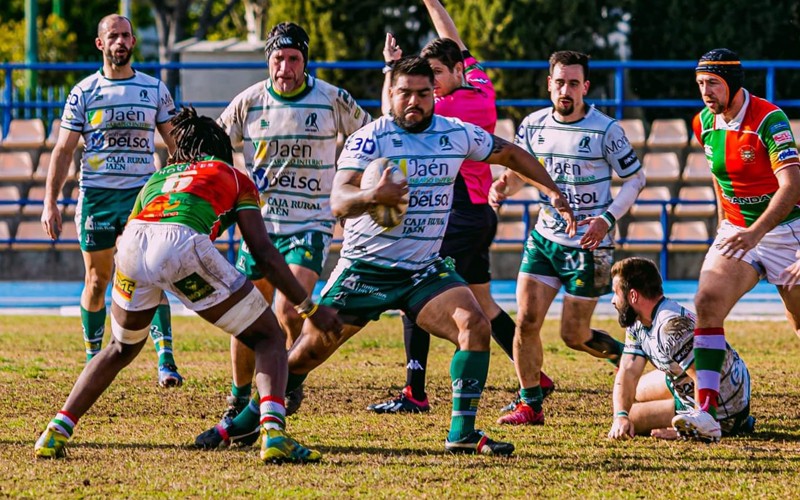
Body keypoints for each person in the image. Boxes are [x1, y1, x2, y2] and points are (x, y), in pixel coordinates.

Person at [197, 56, 576, 456]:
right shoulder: (370, 138)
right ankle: (243, 423)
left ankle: (462, 432)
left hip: (423, 272)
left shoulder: (457, 134)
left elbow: (511, 154)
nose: (414, 101)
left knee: (474, 325)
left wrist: (551, 192)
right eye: (405, 93)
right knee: (307, 353)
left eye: (423, 93)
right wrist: (371, 196)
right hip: (366, 269)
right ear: (390, 94)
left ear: (435, 94)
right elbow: (339, 200)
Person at [34, 107, 342, 463]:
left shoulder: (158, 177)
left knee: (120, 347)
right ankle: (273, 433)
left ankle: (56, 429)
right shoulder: (234, 175)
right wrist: (309, 308)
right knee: (269, 337)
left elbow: (139, 232)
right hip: (180, 246)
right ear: (221, 149)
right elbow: (263, 252)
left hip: (131, 246)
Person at [367, 0, 554, 415]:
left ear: (455, 73)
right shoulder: (479, 85)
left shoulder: (451, 108)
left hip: (463, 214)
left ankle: (415, 391)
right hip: (474, 214)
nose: (428, 87)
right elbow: (454, 39)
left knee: (415, 289)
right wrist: (433, 3)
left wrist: (389, 70)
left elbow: (390, 116)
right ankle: (534, 375)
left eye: (434, 76)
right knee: (484, 303)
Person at [206, 21, 371, 435]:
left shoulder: (333, 99)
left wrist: (367, 185)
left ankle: (286, 382)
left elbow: (371, 138)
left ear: (305, 61)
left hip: (311, 223)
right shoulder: (249, 102)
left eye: (293, 58)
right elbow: (214, 148)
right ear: (269, 60)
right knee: (244, 312)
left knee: (286, 307)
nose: (285, 67)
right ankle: (239, 396)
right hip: (261, 225)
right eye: (278, 58)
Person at [489, 50, 646, 425]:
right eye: (559, 82)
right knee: (526, 321)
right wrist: (502, 187)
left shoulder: (606, 130)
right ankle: (530, 404)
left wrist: (607, 219)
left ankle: (629, 358)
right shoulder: (532, 125)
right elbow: (519, 170)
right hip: (545, 238)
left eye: (574, 83)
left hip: (590, 247)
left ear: (585, 87)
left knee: (574, 335)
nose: (566, 90)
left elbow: (636, 179)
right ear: (549, 84)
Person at [40, 14, 184, 387]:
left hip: (142, 197)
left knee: (151, 274)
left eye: (126, 36)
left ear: (133, 43)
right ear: (100, 44)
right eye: (113, 36)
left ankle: (165, 359)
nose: (120, 42)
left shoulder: (153, 89)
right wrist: (50, 202)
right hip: (98, 198)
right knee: (96, 279)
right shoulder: (84, 92)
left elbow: (175, 144)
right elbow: (63, 149)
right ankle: (94, 359)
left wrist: (174, 185)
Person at [671, 48, 800, 441]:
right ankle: (707, 411)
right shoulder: (703, 123)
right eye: (700, 84)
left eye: (713, 83)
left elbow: (792, 185)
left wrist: (756, 233)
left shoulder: (769, 118)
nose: (705, 91)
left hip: (785, 234)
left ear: (733, 83)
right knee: (706, 303)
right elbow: (718, 173)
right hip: (739, 233)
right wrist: (723, 222)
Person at [605, 257, 754, 442]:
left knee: (633, 418)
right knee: (632, 398)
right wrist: (620, 415)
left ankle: (725, 423)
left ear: (633, 296)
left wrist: (688, 429)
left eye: (615, 293)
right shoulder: (637, 320)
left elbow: (703, 375)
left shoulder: (671, 328)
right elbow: (628, 371)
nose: (612, 301)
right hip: (686, 383)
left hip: (724, 403)